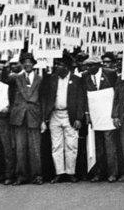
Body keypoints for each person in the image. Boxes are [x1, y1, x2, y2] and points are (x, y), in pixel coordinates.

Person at [4, 53, 45, 185]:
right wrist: (6, 65)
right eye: (24, 62)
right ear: (22, 64)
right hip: (19, 117)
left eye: (29, 62)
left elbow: (43, 100)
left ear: (33, 64)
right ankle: (21, 176)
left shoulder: (40, 79)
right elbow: (4, 80)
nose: (27, 64)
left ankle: (37, 175)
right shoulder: (16, 78)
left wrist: (43, 120)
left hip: (34, 116)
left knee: (35, 148)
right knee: (20, 148)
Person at [44, 54, 84, 183]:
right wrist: (45, 116)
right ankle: (59, 172)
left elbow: (81, 100)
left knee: (71, 145)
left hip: (69, 115)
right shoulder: (51, 79)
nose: (57, 66)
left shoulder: (76, 80)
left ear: (66, 67)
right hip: (55, 115)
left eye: (60, 64)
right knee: (56, 145)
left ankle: (71, 172)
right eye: (56, 64)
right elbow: (46, 98)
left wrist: (79, 118)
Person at [82, 56, 119, 182]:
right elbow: (85, 97)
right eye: (87, 66)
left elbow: (117, 95)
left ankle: (112, 173)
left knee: (110, 146)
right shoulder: (85, 76)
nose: (88, 68)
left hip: (108, 115)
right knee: (97, 146)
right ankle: (99, 172)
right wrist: (87, 114)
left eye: (91, 65)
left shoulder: (111, 74)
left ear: (98, 65)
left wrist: (115, 114)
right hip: (95, 116)